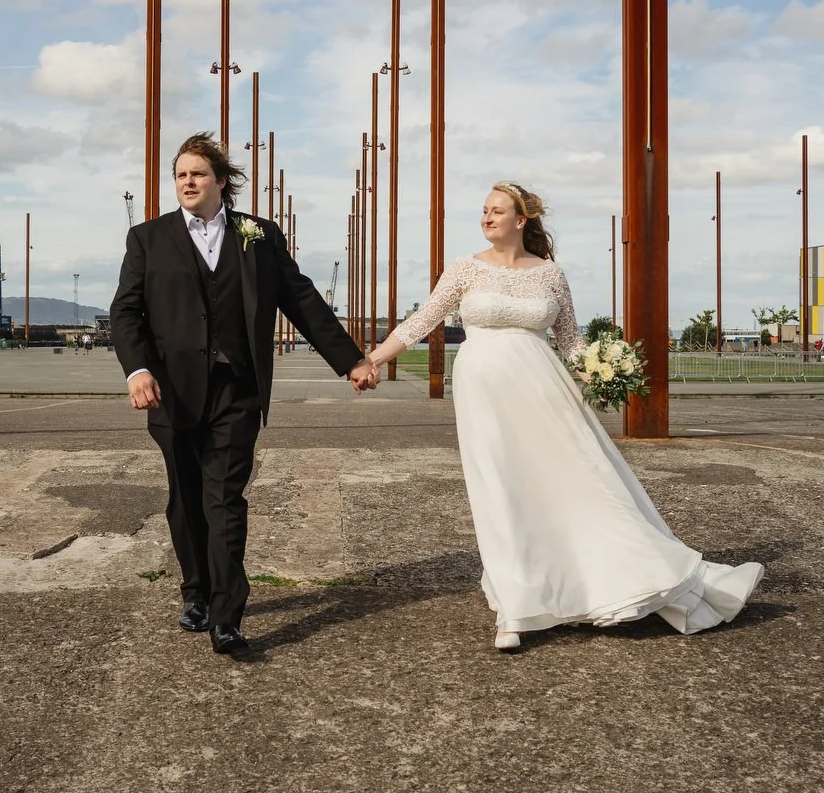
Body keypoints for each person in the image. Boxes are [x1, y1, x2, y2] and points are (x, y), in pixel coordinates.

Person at [366, 182, 763, 650]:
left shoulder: (551, 274)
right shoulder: (463, 270)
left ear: (522, 220)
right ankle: (517, 608)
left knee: (580, 483)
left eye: (497, 211)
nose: (486, 218)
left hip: (546, 393)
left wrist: (604, 370)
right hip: (483, 395)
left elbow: (570, 340)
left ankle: (622, 577)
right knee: (501, 490)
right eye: (484, 211)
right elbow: (420, 322)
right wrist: (372, 360)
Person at [111, 133, 380, 656]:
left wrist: (351, 360)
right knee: (185, 499)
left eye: (198, 174)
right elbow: (126, 312)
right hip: (171, 392)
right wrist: (137, 369)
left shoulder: (258, 236)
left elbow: (302, 300)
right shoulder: (147, 238)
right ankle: (197, 592)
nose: (188, 182)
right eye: (181, 175)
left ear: (221, 182)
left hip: (237, 389)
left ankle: (227, 614)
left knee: (226, 499)